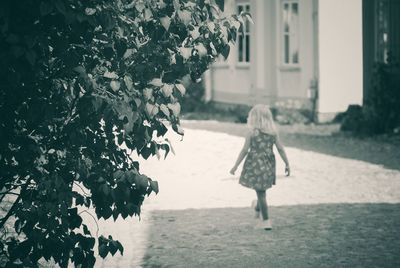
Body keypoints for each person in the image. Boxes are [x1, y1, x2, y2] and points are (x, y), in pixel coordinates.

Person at [230, 104, 290, 230]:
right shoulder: (273, 133)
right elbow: (280, 149)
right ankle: (258, 206)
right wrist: (287, 163)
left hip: (255, 166)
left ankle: (266, 221)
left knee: (261, 192)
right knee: (261, 191)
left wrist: (235, 166)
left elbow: (245, 150)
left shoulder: (252, 133)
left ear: (253, 119)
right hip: (268, 166)